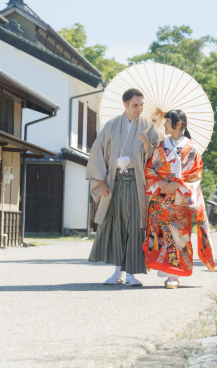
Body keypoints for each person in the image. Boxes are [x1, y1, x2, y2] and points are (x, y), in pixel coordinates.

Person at [86, 88, 160, 286]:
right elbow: (97, 153)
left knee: (136, 228)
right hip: (115, 183)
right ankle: (117, 272)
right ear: (125, 105)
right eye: (135, 105)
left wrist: (146, 147)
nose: (139, 109)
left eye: (142, 105)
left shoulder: (149, 126)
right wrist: (101, 182)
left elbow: (157, 156)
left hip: (137, 185)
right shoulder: (111, 126)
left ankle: (131, 274)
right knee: (116, 227)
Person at [139, 109, 215, 288]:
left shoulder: (192, 148)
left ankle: (175, 276)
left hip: (180, 198)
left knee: (178, 236)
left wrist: (176, 184)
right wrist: (159, 181)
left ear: (178, 124)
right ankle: (166, 272)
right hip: (160, 197)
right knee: (161, 235)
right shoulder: (159, 145)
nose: (163, 125)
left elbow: (195, 174)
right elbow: (149, 168)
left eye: (167, 121)